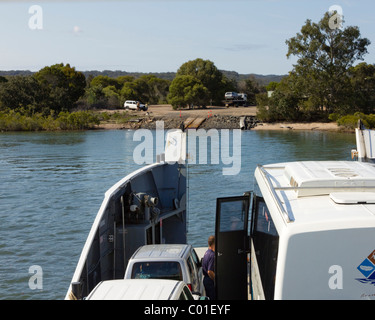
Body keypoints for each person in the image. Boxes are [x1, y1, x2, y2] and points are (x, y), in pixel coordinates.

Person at [202, 235, 215, 300]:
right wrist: (215, 279)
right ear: (214, 243)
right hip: (209, 280)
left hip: (205, 280)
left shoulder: (206, 253)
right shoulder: (212, 255)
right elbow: (209, 271)